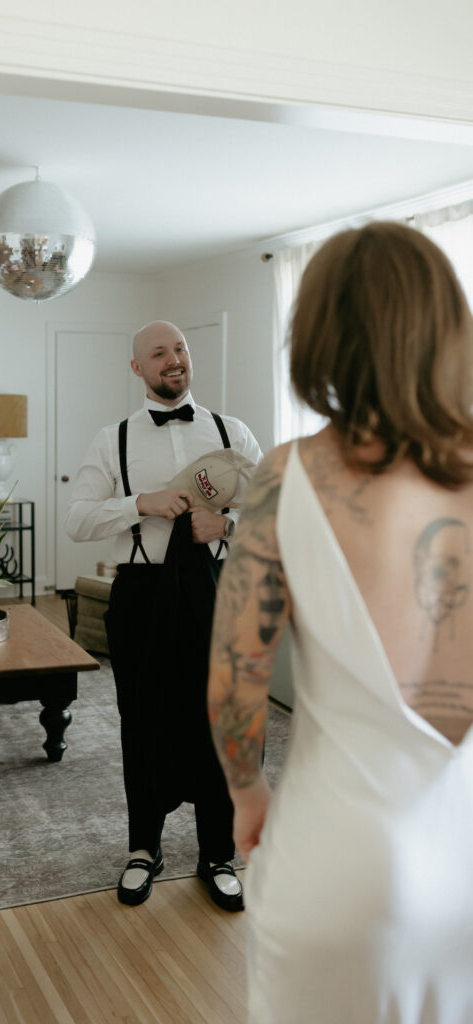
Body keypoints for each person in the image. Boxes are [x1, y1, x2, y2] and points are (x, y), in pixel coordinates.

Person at [208, 221, 473, 1021]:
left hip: (336, 865)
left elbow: (235, 678)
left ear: (319, 335)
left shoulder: (286, 475)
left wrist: (246, 793)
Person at [65, 320, 263, 910]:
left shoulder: (233, 432)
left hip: (221, 593)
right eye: (158, 353)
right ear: (138, 369)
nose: (172, 360)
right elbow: (77, 520)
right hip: (143, 598)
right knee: (144, 719)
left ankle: (218, 856)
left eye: (179, 349)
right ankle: (143, 849)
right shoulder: (113, 440)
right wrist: (139, 504)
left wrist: (227, 524)